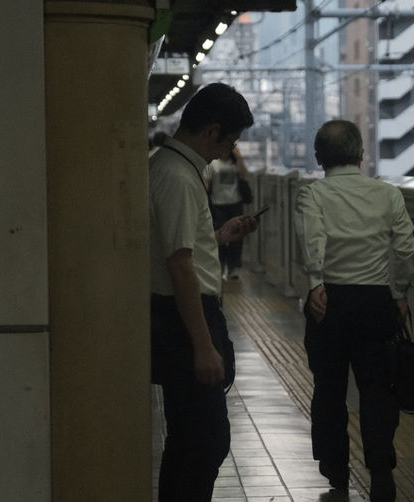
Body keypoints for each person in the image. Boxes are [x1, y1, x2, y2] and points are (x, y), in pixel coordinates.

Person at [294, 119, 414, 502]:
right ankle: (380, 470)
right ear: (361, 154)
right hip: (376, 302)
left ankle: (337, 471)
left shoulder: (312, 194)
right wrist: (399, 291)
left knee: (329, 390)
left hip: (328, 304)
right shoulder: (388, 194)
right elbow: (405, 249)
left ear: (319, 157)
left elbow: (312, 239)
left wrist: (316, 282)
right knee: (378, 390)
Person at [148, 82, 257, 501]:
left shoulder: (171, 166)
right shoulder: (177, 176)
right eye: (230, 141)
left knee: (188, 439)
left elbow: (181, 248)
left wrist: (219, 236)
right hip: (183, 320)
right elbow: (178, 265)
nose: (228, 151)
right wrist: (203, 345)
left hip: (178, 316)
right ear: (212, 131)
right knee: (206, 440)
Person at [205, 147, 250, 279]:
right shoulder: (213, 163)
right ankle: (220, 265)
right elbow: (207, 182)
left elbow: (244, 174)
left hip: (235, 203)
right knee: (221, 236)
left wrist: (239, 157)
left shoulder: (234, 162)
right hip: (218, 205)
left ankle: (233, 267)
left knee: (237, 236)